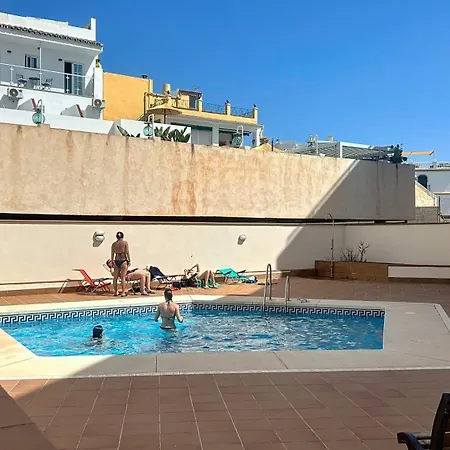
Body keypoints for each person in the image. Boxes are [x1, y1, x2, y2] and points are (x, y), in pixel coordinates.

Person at [110, 231, 130, 297]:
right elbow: (127, 252)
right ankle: (123, 292)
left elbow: (112, 253)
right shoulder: (125, 243)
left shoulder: (113, 244)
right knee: (123, 277)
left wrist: (112, 261)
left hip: (116, 260)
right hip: (123, 260)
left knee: (115, 277)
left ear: (116, 237)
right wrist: (129, 260)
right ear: (123, 236)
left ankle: (116, 292)